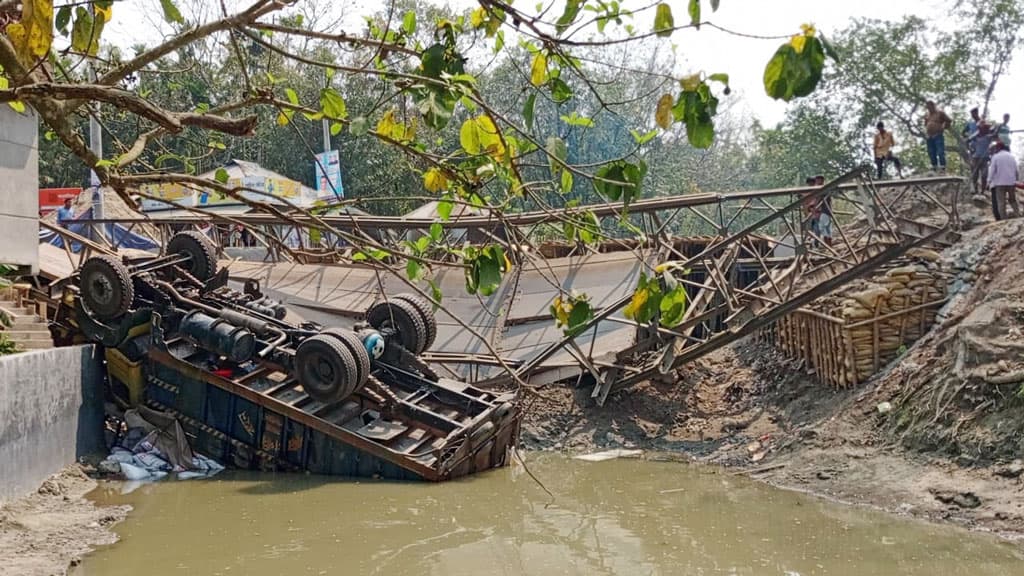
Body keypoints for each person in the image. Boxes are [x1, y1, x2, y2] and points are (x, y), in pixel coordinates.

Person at [987, 140, 1020, 221]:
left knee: (1001, 202)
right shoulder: (1011, 156)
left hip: (999, 183)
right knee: (1012, 200)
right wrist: (1016, 179)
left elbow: (992, 171)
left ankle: (1003, 219)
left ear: (998, 148)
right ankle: (1018, 215)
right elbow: (1016, 170)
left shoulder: (996, 157)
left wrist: (989, 182)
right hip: (1011, 182)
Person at [923, 100, 952, 173]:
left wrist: (943, 127)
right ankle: (934, 167)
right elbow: (926, 124)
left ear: (933, 106)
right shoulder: (927, 115)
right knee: (931, 152)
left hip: (938, 135)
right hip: (929, 136)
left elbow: (949, 120)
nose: (929, 108)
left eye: (930, 106)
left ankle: (943, 167)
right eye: (927, 107)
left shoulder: (940, 113)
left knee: (940, 151)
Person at [970, 120, 994, 194]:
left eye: (984, 128)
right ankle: (975, 189)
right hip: (976, 158)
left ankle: (982, 191)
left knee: (984, 175)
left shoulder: (988, 137)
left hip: (984, 158)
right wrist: (971, 150)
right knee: (975, 175)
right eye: (981, 128)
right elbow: (969, 144)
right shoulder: (975, 137)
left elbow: (994, 132)